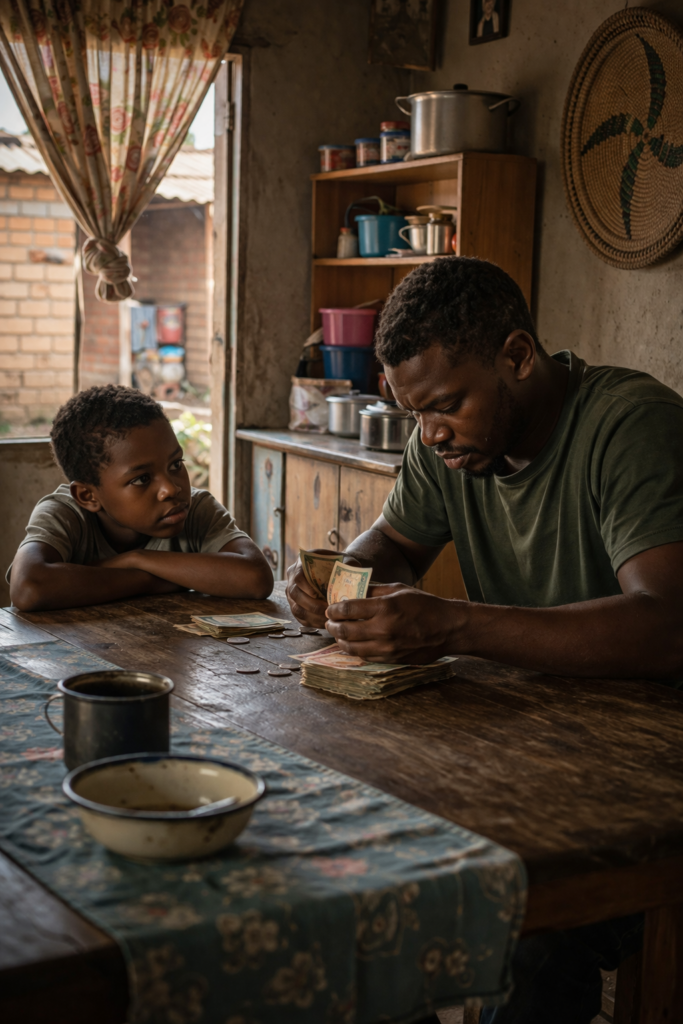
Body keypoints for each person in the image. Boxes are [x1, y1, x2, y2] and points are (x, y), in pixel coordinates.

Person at [286, 256, 683, 1023]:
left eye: (444, 405)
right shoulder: (451, 444)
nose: (430, 435)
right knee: (353, 846)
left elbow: (668, 627)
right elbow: (392, 544)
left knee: (520, 926)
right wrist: (344, 578)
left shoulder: (628, 426)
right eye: (414, 416)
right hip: (536, 740)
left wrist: (455, 622)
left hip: (650, 766)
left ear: (516, 357)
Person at [8, 385, 273, 611]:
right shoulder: (64, 513)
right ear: (88, 496)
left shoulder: (194, 509)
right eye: (141, 479)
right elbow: (29, 587)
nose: (171, 488)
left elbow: (256, 578)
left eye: (175, 464)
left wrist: (138, 559)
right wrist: (148, 581)